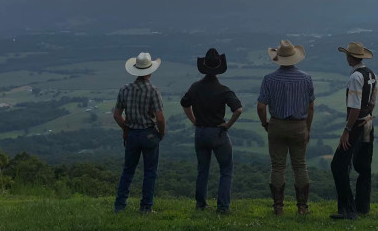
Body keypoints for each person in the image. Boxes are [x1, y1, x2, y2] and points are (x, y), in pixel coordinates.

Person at [181, 48, 243, 214]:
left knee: (203, 170)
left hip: (200, 132)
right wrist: (228, 124)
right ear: (219, 68)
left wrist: (194, 121)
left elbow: (185, 103)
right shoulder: (223, 90)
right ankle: (223, 207)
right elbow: (238, 109)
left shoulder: (195, 87)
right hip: (217, 133)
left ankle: (200, 204)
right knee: (226, 170)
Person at [257, 40, 315, 215]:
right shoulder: (306, 79)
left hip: (276, 124)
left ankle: (278, 206)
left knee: (277, 166)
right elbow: (311, 107)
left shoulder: (269, 79)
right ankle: (302, 207)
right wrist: (307, 128)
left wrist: (265, 123)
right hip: (299, 126)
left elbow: (261, 106)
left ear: (278, 58)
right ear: (295, 58)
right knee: (300, 165)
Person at [113, 52, 166, 214]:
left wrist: (126, 129)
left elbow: (117, 115)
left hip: (132, 135)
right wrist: (160, 134)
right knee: (150, 172)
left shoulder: (124, 89)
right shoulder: (153, 91)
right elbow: (160, 118)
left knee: (128, 171)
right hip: (149, 134)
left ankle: (120, 206)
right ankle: (146, 207)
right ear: (149, 71)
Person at [330, 42, 378, 220]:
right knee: (363, 166)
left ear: (350, 57)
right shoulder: (371, 74)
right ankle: (362, 206)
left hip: (356, 125)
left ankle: (347, 209)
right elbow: (372, 102)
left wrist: (347, 130)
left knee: (338, 165)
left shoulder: (355, 77)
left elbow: (355, 108)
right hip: (368, 122)